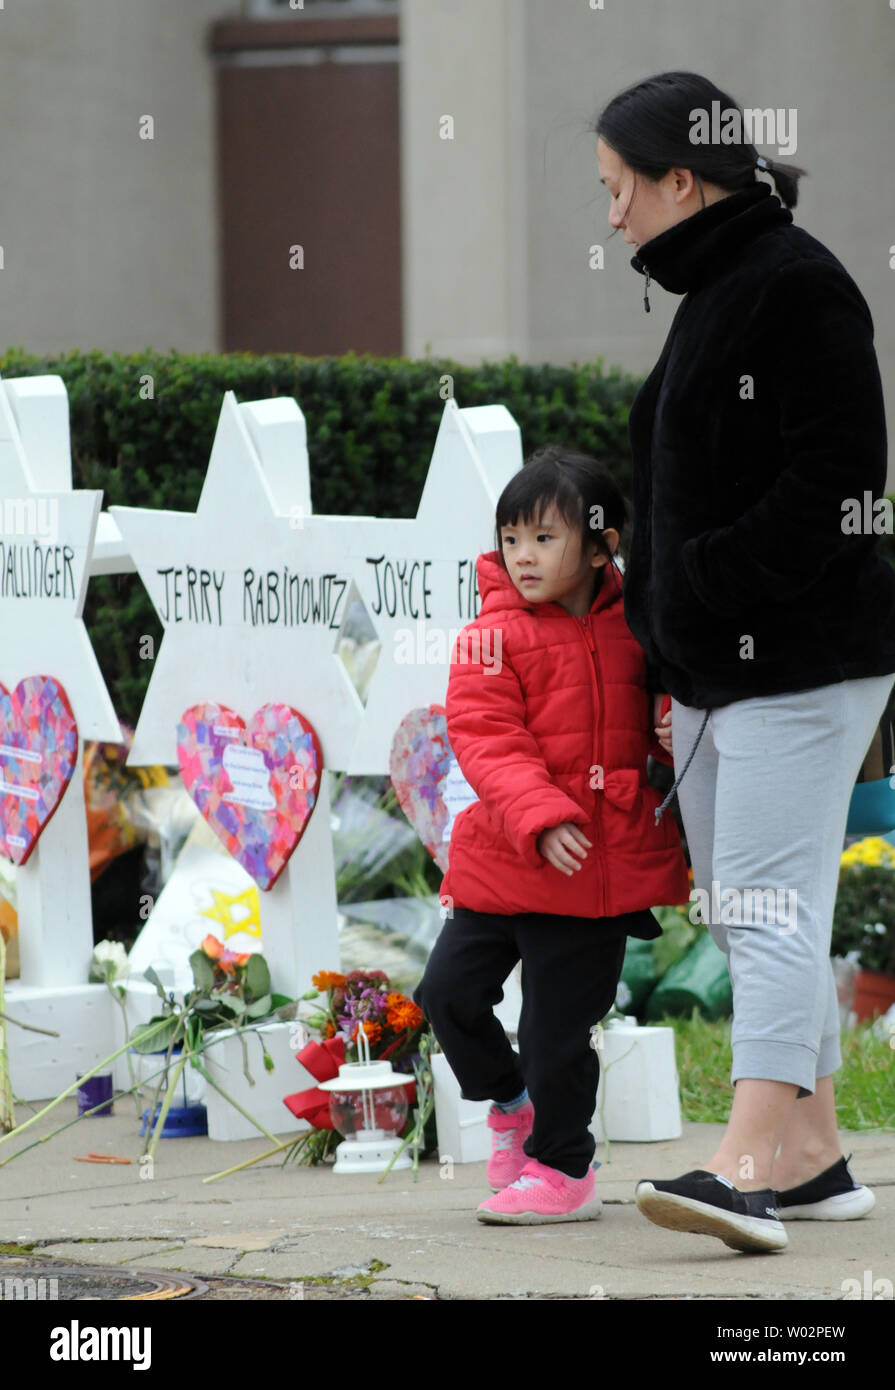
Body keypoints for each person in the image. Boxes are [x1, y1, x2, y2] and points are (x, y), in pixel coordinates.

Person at [594, 70, 895, 1253]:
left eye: (620, 191)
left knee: (764, 904)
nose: (611, 219)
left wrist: (703, 583)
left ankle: (744, 1166)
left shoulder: (793, 283)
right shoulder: (726, 285)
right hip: (722, 670)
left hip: (799, 660)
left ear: (683, 177)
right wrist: (673, 640)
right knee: (742, 905)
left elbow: (837, 486)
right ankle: (814, 1154)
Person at [413, 446, 691, 1224]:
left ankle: (565, 1173)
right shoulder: (488, 635)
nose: (522, 557)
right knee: (447, 995)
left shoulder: (640, 624)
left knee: (556, 1032)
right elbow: (485, 735)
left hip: (593, 871)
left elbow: (668, 722)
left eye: (544, 538)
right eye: (511, 539)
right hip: (510, 855)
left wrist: (668, 730)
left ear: (602, 546)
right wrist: (538, 816)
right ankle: (511, 1105)